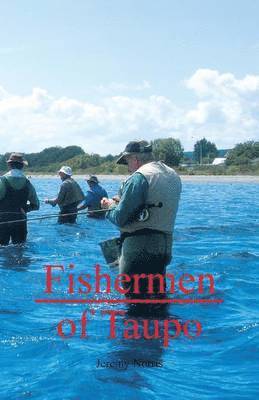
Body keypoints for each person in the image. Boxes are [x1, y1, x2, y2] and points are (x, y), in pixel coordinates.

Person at [101, 140, 182, 296]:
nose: (128, 168)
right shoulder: (172, 174)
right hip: (163, 249)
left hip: (139, 250)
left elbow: (120, 218)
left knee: (135, 305)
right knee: (157, 299)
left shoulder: (139, 177)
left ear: (135, 159)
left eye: (127, 163)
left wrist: (109, 206)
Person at [0, 153, 40, 245]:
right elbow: (36, 205)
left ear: (9, 165)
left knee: (2, 248)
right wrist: (25, 209)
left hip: (2, 220)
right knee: (20, 249)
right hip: (20, 220)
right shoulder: (27, 183)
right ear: (22, 166)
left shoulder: (2, 181)